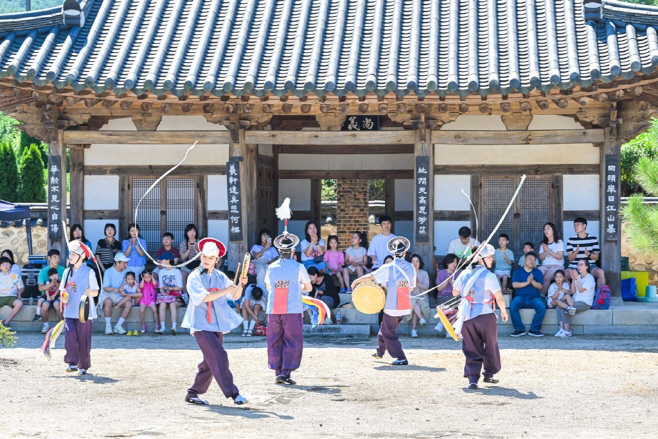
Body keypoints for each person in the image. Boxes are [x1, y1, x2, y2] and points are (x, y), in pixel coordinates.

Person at [182, 237, 248, 406]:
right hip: (200, 325)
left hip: (217, 324)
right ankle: (234, 394)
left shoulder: (220, 276)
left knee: (209, 362)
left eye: (211, 258)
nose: (206, 260)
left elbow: (234, 296)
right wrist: (225, 289)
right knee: (219, 356)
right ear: (200, 256)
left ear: (217, 260)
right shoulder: (193, 277)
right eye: (204, 256)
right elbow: (204, 297)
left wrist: (240, 284)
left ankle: (193, 393)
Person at [352, 237, 416, 366]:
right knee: (385, 327)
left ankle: (401, 357)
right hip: (405, 303)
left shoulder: (389, 267)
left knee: (388, 332)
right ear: (404, 253)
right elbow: (412, 287)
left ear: (393, 253)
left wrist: (356, 281)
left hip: (393, 304)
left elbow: (371, 276)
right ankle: (380, 351)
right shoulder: (410, 267)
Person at [452, 244, 508, 389]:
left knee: (471, 346)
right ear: (481, 259)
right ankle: (489, 374)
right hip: (485, 315)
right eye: (489, 257)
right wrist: (503, 311)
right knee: (491, 345)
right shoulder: (489, 276)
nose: (492, 260)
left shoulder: (464, 273)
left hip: (467, 316)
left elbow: (455, 292)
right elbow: (499, 297)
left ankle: (473, 379)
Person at [264, 227, 312, 385]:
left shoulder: (271, 268)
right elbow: (308, 288)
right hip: (292, 308)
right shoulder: (298, 267)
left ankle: (278, 371)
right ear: (292, 250)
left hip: (274, 308)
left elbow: (269, 287)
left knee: (274, 339)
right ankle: (286, 372)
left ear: (278, 250)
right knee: (293, 340)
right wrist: (298, 287)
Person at [60, 241, 99, 375]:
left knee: (84, 339)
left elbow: (96, 292)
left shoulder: (89, 272)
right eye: (69, 254)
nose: (70, 256)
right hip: (70, 310)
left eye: (73, 254)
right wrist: (63, 297)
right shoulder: (66, 272)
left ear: (81, 256)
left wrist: (89, 292)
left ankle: (83, 366)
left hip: (84, 311)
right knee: (69, 336)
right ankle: (72, 363)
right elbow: (62, 291)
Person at [556, 260, 596, 338]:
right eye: (578, 265)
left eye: (581, 265)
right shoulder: (578, 277)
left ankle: (567, 331)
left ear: (586, 267)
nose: (579, 266)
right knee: (558, 307)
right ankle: (562, 329)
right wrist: (573, 279)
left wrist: (576, 278)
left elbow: (581, 290)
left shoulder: (590, 278)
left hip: (584, 303)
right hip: (574, 301)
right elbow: (573, 291)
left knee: (565, 309)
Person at [510, 252, 545, 337]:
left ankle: (534, 329)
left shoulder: (538, 272)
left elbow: (540, 286)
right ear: (524, 260)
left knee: (542, 307)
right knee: (513, 306)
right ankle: (519, 329)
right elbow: (515, 285)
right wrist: (527, 282)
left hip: (534, 298)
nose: (532, 261)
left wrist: (532, 281)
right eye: (530, 259)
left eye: (534, 260)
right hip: (520, 297)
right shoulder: (517, 271)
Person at [565, 217, 605, 290]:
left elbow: (596, 257)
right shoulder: (571, 240)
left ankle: (600, 295)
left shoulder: (593, 239)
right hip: (575, 266)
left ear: (584, 226)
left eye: (578, 225)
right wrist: (575, 253)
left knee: (600, 272)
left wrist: (589, 254)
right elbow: (570, 259)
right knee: (563, 275)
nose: (575, 227)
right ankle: (571, 292)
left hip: (589, 266)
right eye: (574, 225)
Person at [33, 249, 65, 328]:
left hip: (58, 295)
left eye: (58, 257)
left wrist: (56, 284)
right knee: (45, 306)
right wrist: (51, 284)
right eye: (54, 257)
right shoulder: (43, 271)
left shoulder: (63, 270)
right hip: (46, 296)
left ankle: (62, 326)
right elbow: (40, 288)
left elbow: (64, 287)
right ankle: (45, 325)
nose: (57, 260)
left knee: (58, 304)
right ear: (49, 258)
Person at [101, 252, 130, 334]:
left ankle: (118, 326)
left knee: (128, 303)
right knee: (108, 301)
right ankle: (108, 326)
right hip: (106, 295)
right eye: (124, 262)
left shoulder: (127, 271)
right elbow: (105, 288)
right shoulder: (108, 271)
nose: (126, 264)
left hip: (119, 296)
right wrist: (114, 289)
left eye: (126, 262)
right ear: (117, 262)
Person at [404, 254, 430, 338]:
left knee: (415, 304)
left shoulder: (424, 273)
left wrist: (418, 282)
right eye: (413, 261)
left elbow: (426, 288)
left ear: (420, 263)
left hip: (422, 297)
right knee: (414, 301)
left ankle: (414, 330)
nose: (415, 263)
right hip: (410, 298)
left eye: (417, 261)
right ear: (410, 263)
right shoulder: (407, 274)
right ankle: (420, 320)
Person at [157, 252, 183, 335]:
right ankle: (163, 327)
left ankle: (174, 327)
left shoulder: (177, 271)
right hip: (165, 296)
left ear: (168, 260)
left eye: (162, 260)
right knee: (162, 305)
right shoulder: (161, 272)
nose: (160, 261)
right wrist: (163, 293)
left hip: (176, 296)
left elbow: (180, 287)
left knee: (172, 305)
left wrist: (171, 289)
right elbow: (160, 287)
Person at [538, 222, 565, 296]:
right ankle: (536, 295)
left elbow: (559, 257)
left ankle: (542, 296)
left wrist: (548, 250)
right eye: (545, 229)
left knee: (547, 277)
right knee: (537, 274)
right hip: (545, 265)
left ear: (553, 230)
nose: (546, 231)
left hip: (557, 265)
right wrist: (544, 250)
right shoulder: (543, 243)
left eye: (548, 229)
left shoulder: (559, 242)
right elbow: (541, 257)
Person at [547, 270, 576, 336]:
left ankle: (571, 308)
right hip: (552, 302)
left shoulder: (565, 284)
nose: (558, 278)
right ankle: (568, 308)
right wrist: (558, 290)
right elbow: (553, 298)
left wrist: (562, 289)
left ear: (564, 278)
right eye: (556, 277)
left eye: (560, 277)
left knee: (567, 296)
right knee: (557, 302)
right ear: (554, 278)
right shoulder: (552, 286)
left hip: (561, 301)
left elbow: (569, 292)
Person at [0, 256, 24, 327]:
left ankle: (6, 322)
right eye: (3, 265)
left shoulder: (16, 276)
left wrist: (19, 292)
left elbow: (21, 287)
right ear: (0, 267)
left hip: (12, 296)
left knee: (19, 303)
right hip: (1, 296)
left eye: (7, 264)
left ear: (10, 265)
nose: (6, 266)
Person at [180, 223, 201, 291]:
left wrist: (195, 249)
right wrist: (188, 250)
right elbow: (183, 258)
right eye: (189, 231)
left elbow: (202, 258)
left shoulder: (200, 243)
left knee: (196, 276)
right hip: (186, 264)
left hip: (198, 265)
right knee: (183, 275)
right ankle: (185, 294)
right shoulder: (183, 243)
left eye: (193, 231)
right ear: (186, 233)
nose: (192, 233)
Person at [139, 269, 159, 334]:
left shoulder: (152, 282)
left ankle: (157, 325)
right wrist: (142, 279)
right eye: (145, 277)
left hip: (151, 300)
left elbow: (155, 283)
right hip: (143, 300)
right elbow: (141, 286)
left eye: (149, 277)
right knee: (141, 310)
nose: (147, 279)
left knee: (155, 310)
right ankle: (142, 325)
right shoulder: (142, 283)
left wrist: (152, 277)